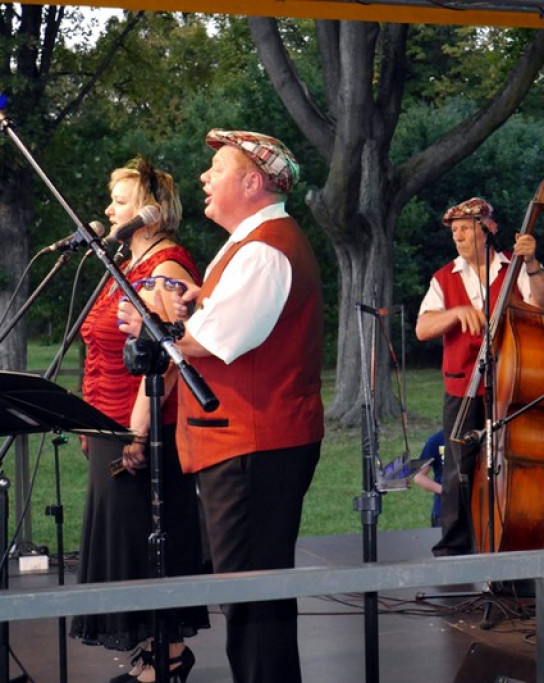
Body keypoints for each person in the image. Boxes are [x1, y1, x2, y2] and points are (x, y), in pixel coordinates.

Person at [120, 129, 324, 683]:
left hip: (254, 445)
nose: (204, 178)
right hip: (246, 443)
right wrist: (192, 303)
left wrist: (153, 322)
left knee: (252, 599)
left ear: (252, 182)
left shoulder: (263, 250)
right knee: (252, 595)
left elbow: (209, 342)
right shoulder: (250, 247)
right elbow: (218, 322)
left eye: (217, 169)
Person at [71, 157, 207, 683]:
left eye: (120, 201)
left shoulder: (167, 267)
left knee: (147, 541)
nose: (109, 209)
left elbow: (172, 357)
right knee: (127, 544)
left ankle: (167, 658)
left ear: (150, 211)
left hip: (141, 429)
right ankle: (152, 655)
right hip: (106, 423)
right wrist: (90, 421)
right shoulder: (122, 267)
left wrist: (137, 429)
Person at [415, 197, 544, 556]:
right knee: (457, 468)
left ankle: (510, 538)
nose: (458, 237)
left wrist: (533, 262)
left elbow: (542, 304)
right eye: (455, 231)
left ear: (488, 230)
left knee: (509, 463)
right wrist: (456, 312)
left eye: (465, 228)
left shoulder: (515, 268)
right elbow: (423, 327)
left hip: (511, 383)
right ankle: (454, 549)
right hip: (463, 384)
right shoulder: (445, 277)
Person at [411, 429, 445, 527]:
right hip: (444, 510)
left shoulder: (472, 437)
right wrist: (444, 490)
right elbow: (419, 476)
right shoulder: (436, 440)